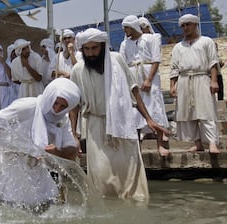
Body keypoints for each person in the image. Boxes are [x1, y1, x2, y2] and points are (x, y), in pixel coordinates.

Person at [69, 28, 168, 201]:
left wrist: (149, 119)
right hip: (95, 126)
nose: (91, 53)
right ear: (82, 50)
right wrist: (74, 134)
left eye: (94, 48)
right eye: (87, 49)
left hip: (122, 123)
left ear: (102, 46)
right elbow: (74, 104)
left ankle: (134, 210)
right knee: (101, 173)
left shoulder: (117, 60)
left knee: (129, 171)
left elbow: (133, 90)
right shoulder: (78, 70)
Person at [0, 78, 80, 209]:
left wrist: (58, 152)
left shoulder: (62, 119)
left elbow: (72, 153)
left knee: (48, 204)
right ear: (50, 97)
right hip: (11, 166)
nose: (56, 109)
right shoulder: (27, 106)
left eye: (63, 106)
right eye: (55, 103)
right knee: (11, 209)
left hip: (36, 167)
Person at [169, 14, 220, 154]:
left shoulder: (206, 41)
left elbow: (213, 62)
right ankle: (197, 143)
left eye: (188, 24)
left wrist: (214, 81)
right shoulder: (178, 47)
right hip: (184, 81)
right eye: (183, 26)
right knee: (187, 114)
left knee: (206, 111)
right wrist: (172, 86)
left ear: (195, 24)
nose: (185, 28)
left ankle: (212, 143)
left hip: (202, 78)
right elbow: (174, 68)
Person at [119, 15, 169, 156]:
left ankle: (160, 145)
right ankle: (137, 150)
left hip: (148, 74)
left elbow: (156, 60)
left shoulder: (150, 39)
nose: (125, 31)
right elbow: (122, 63)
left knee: (154, 107)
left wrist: (149, 79)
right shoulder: (124, 44)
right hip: (132, 75)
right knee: (135, 111)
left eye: (127, 27)